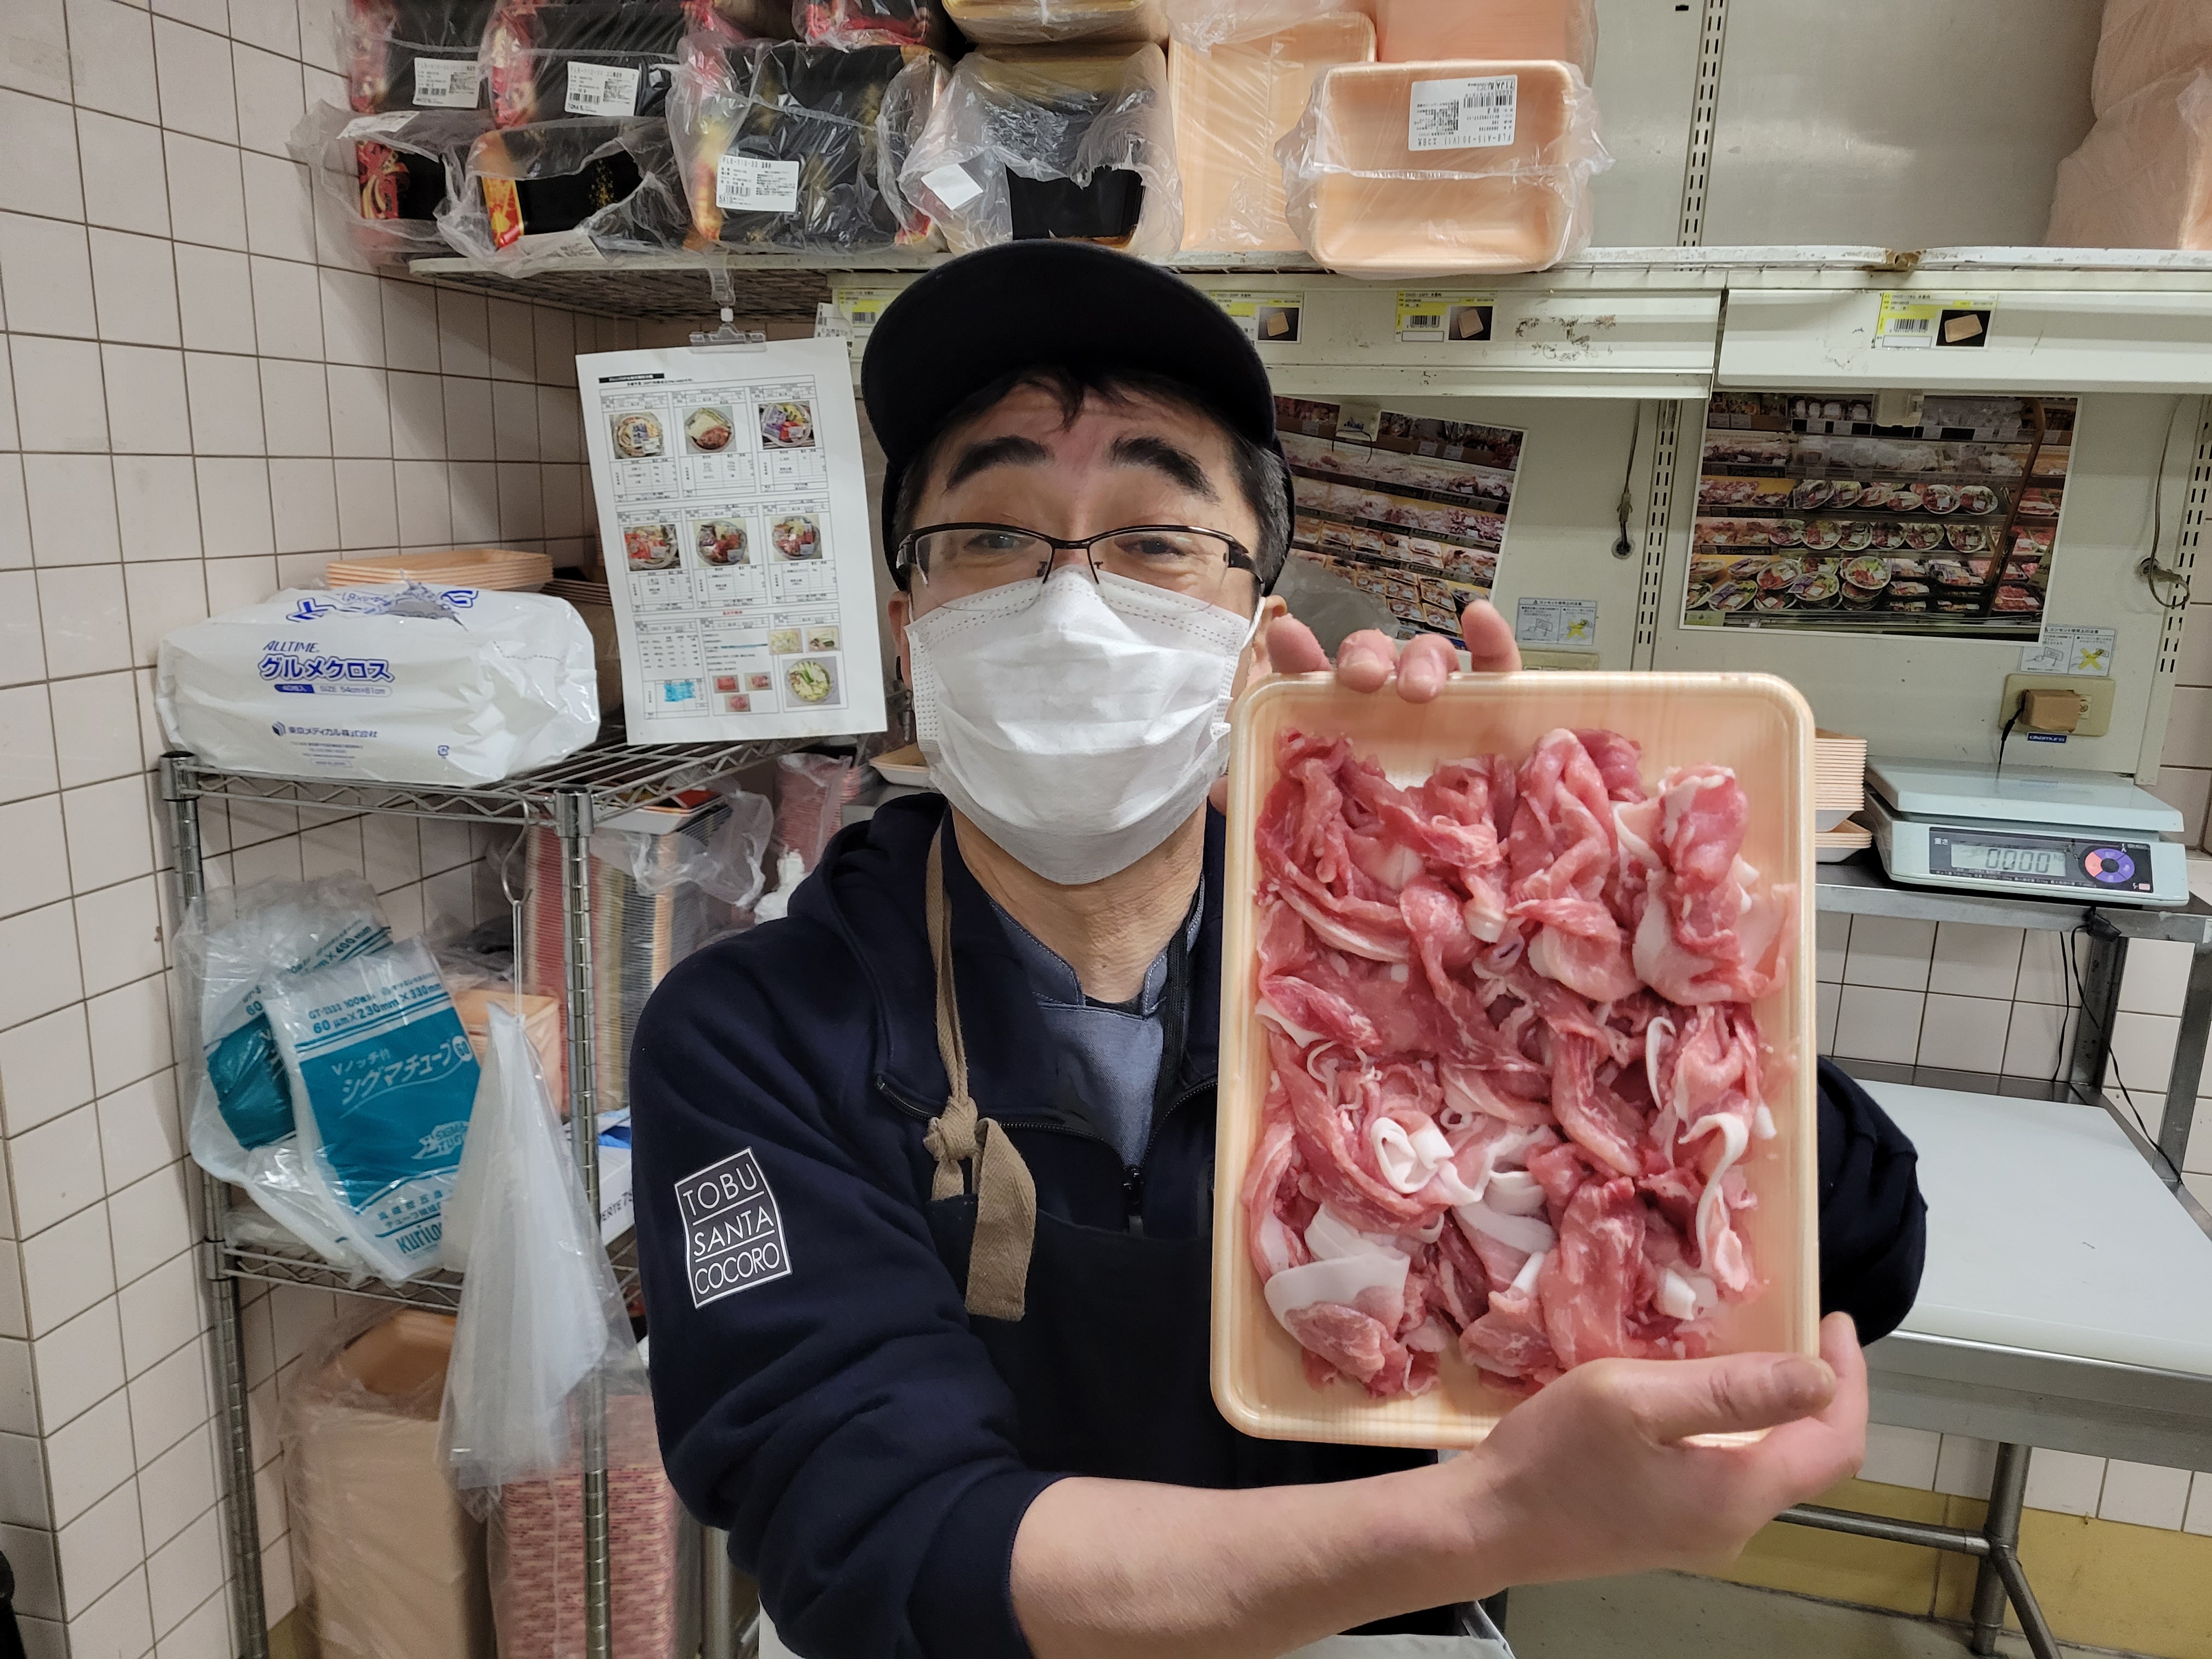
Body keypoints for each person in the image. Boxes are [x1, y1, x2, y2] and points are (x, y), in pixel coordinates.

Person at [631, 241, 1927, 1659]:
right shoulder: (755, 1032)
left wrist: (1564, 945)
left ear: (1253, 639)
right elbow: (874, 1539)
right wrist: (1488, 1522)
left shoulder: (1373, 953)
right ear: (909, 629)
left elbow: (1863, 1248)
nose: (1070, 601)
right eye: (992, 537)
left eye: (1154, 541)